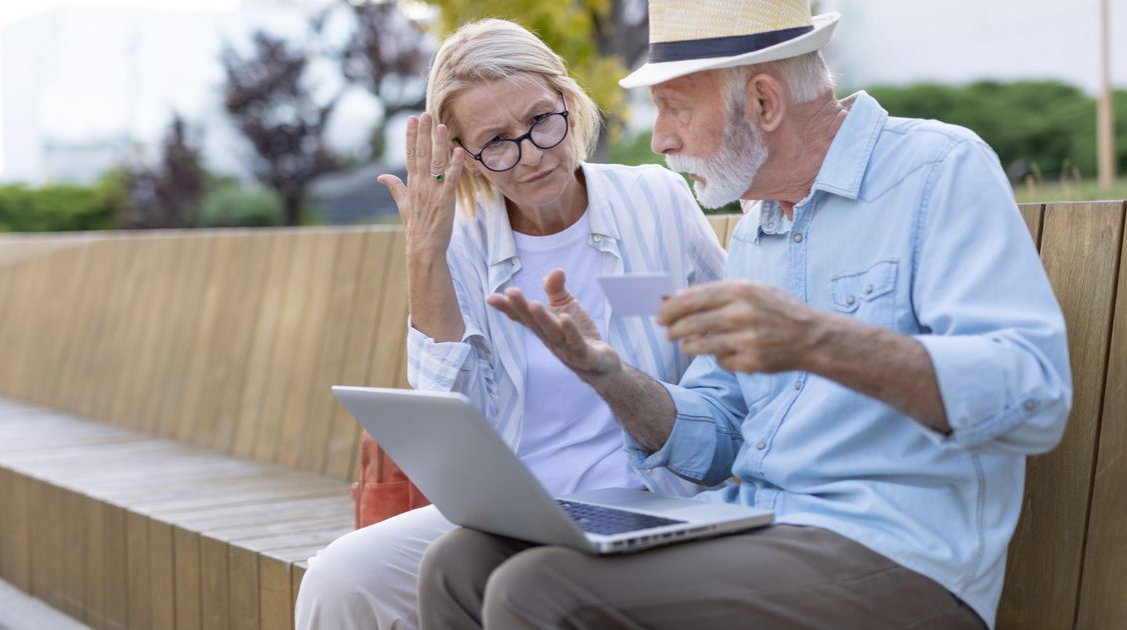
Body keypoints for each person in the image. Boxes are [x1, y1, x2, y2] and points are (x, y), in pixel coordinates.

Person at [416, 1, 1073, 628]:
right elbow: (719, 431)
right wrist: (609, 376)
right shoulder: (759, 228)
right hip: (751, 526)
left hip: (898, 555)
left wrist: (818, 342)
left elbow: (1032, 393)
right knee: (461, 565)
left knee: (540, 592)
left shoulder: (935, 172)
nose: (660, 137)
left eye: (674, 108)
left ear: (762, 101)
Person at [294, 18, 729, 630]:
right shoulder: (462, 240)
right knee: (341, 579)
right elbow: (446, 417)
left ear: (569, 103)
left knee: (528, 590)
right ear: (463, 156)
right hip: (511, 511)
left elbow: (730, 345)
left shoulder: (655, 199)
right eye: (496, 141)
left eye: (541, 121)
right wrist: (425, 252)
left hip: (650, 500)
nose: (530, 156)